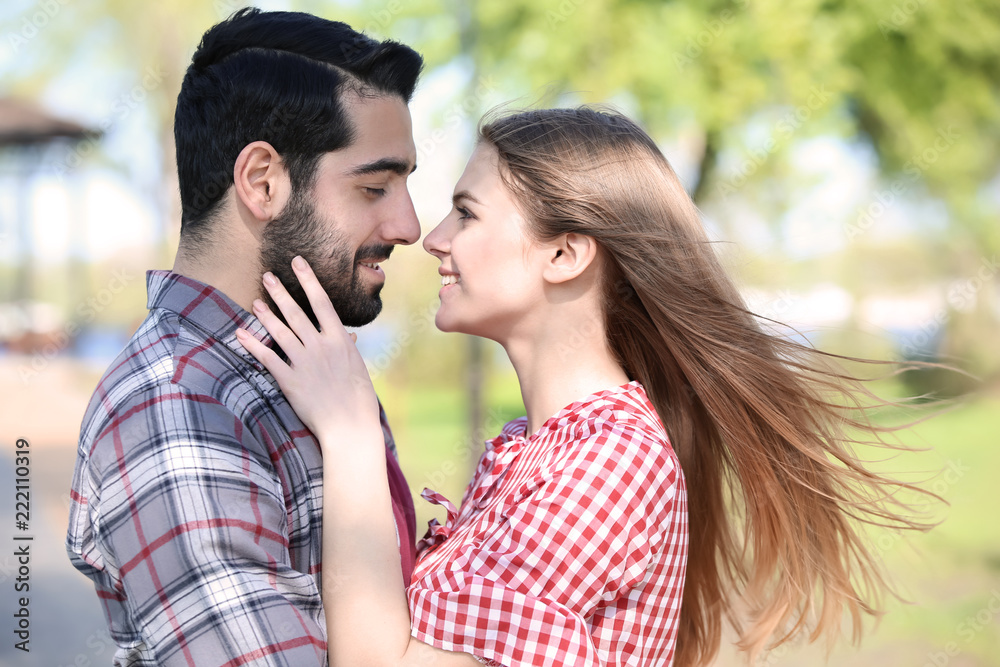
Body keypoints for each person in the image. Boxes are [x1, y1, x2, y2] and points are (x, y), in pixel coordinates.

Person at [241, 107, 937, 667]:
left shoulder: (607, 466)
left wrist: (352, 431)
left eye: (468, 212)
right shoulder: (539, 448)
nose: (433, 236)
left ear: (565, 253)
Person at [65, 8, 424, 665]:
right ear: (262, 181)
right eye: (375, 185)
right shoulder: (175, 408)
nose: (409, 225)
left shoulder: (315, 364)